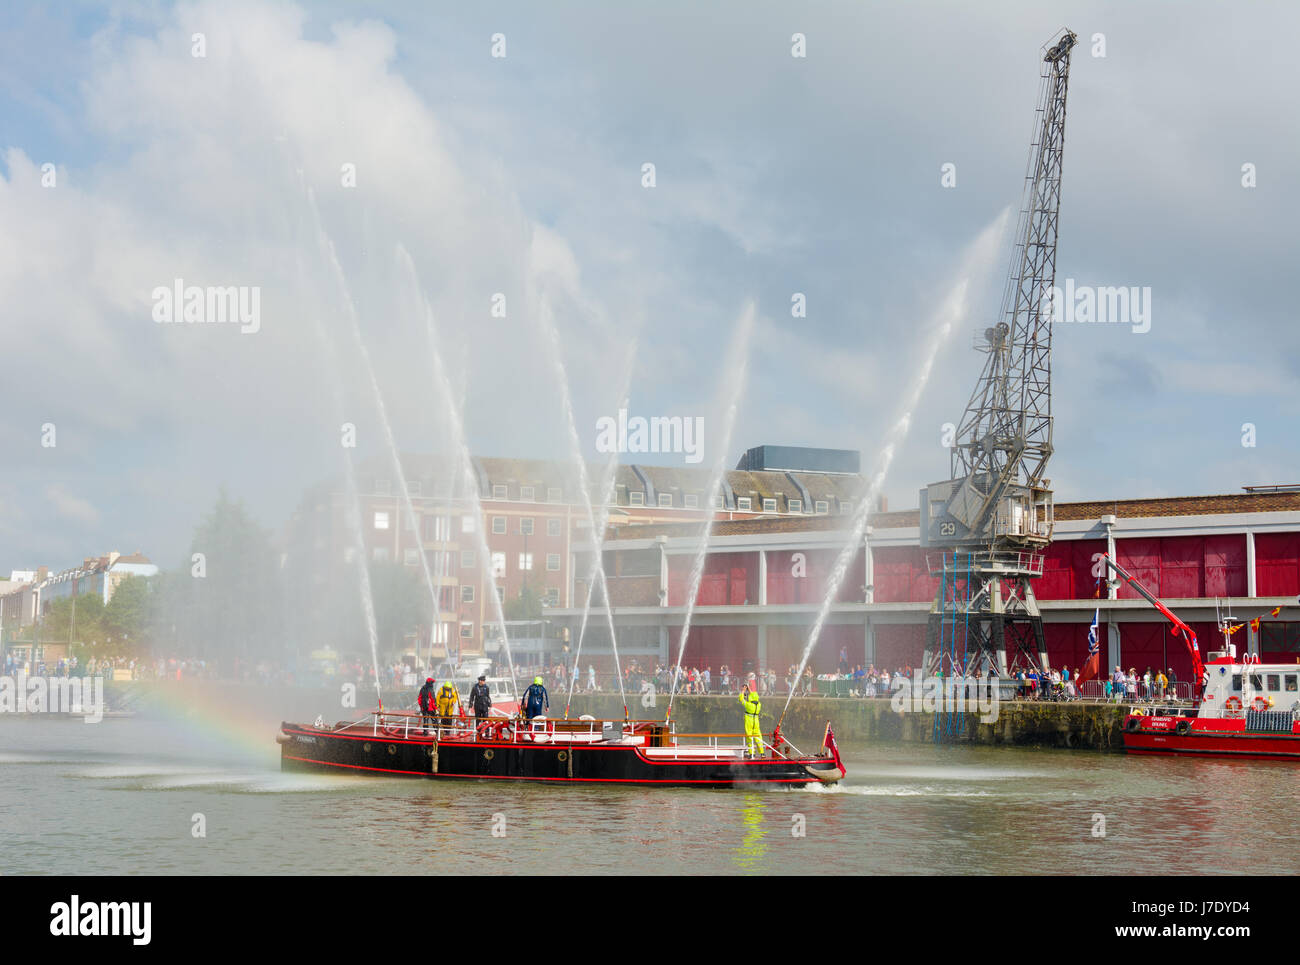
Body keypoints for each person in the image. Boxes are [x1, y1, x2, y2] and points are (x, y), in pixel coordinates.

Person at [739, 678, 763, 757]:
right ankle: (762, 753)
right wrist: (748, 688)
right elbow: (753, 695)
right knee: (758, 737)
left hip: (749, 722)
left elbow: (741, 699)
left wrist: (743, 690)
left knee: (749, 738)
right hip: (756, 723)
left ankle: (752, 753)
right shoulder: (759, 705)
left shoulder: (748, 705)